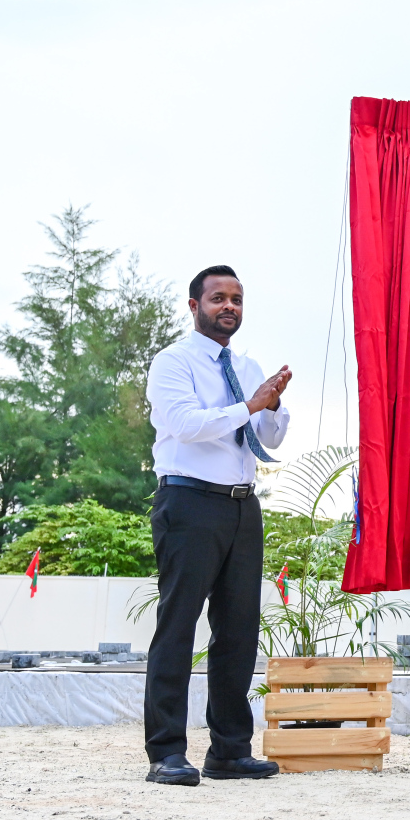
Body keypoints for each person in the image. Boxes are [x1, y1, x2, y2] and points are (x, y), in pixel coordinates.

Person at [143, 265, 292, 786]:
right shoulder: (173, 361)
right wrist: (250, 404)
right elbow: (185, 425)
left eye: (236, 299)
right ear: (194, 306)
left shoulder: (248, 366)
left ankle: (229, 752)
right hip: (188, 503)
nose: (229, 306)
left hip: (242, 506)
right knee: (178, 626)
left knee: (238, 631)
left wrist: (272, 404)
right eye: (218, 298)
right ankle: (166, 752)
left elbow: (269, 437)